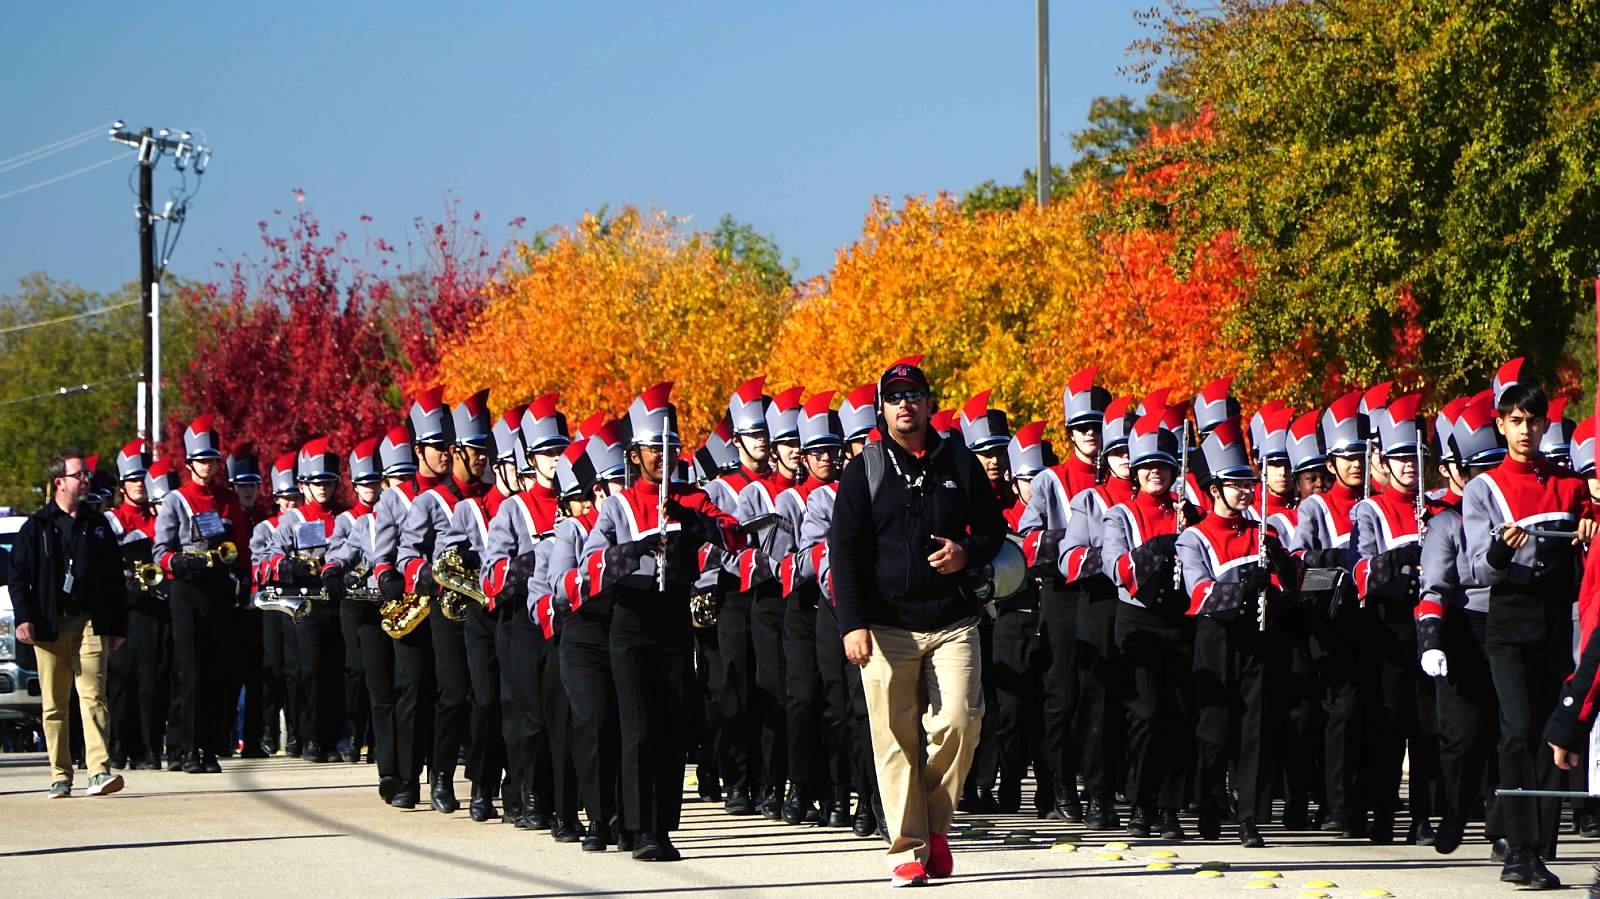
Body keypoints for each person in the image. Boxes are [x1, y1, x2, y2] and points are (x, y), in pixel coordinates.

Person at [829, 359, 1006, 887]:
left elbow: (995, 531)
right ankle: (906, 847)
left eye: (915, 395)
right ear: (882, 409)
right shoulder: (865, 468)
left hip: (952, 620)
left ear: (931, 403)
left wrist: (965, 553)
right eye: (895, 397)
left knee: (961, 719)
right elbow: (846, 550)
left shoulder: (959, 461)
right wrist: (851, 624)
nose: (905, 405)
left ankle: (934, 825)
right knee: (894, 737)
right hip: (885, 627)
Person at [579, 382, 745, 861]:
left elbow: (734, 536)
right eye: (654, 448)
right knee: (639, 726)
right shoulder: (617, 504)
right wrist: (629, 552)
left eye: (671, 447)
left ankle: (662, 826)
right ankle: (637, 826)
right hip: (630, 622)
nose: (663, 457)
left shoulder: (692, 500)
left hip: (674, 620)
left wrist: (696, 525)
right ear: (635, 454)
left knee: (672, 725)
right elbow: (591, 563)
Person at [1465, 361, 1594, 889]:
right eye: (1515, 420)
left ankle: (1541, 846)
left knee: (1551, 734)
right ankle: (1516, 844)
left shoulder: (1569, 487)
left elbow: (1593, 536)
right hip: (1509, 618)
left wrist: (1590, 526)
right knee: (1516, 729)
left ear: (1546, 427)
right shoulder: (1485, 488)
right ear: (1501, 424)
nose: (1524, 430)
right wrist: (1499, 547)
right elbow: (1473, 568)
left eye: (1533, 421)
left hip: (1555, 620)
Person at [1179, 417, 1298, 847]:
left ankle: (1249, 816)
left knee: (1256, 728)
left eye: (1249, 483)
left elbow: (1290, 589)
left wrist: (1282, 566)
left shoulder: (1263, 532)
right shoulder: (1194, 537)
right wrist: (1245, 582)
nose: (1247, 491)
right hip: (1216, 638)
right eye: (1236, 483)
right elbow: (1199, 594)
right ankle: (1210, 810)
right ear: (1214, 490)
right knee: (1214, 729)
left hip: (1258, 639)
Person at [1102, 406, 1201, 841]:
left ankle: (1170, 808)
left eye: (1162, 465)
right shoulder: (1120, 514)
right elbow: (1115, 566)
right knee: (1145, 715)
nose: (1155, 473)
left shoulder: (1188, 513)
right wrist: (1158, 548)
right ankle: (1140, 802)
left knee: (1179, 715)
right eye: (1146, 467)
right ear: (1135, 473)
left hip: (1180, 622)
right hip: (1138, 621)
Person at [1018, 365, 1110, 824]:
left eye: (1097, 427)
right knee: (1061, 694)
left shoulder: (1119, 477)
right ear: (1070, 432)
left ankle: (1100, 789)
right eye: (1082, 428)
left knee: (1100, 692)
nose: (1090, 435)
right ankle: (1059, 783)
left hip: (1104, 593)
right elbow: (1029, 539)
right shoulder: (1050, 480)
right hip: (1061, 592)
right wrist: (1071, 545)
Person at [396, 388, 495, 815]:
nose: (484, 460)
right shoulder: (429, 501)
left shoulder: (492, 496)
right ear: (456, 451)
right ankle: (439, 774)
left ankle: (482, 781)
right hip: (447, 606)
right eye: (476, 452)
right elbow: (406, 555)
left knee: (486, 697)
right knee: (454, 694)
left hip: (484, 606)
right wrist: (435, 574)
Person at [10, 448, 129, 798]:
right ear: (59, 482)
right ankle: (60, 775)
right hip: (49, 626)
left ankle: (98, 772)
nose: (85, 480)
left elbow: (113, 580)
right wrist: (24, 617)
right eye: (79, 475)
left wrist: (117, 627)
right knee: (54, 704)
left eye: (86, 475)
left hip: (90, 621)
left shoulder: (98, 525)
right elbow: (18, 577)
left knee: (93, 695)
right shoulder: (37, 527)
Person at [1418, 391, 1507, 857]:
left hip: (1511, 626)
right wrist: (1431, 639)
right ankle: (1453, 812)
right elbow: (1433, 586)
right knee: (1462, 735)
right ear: (1454, 470)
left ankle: (1504, 829)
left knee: (1507, 732)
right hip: (1463, 630)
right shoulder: (1446, 522)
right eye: (1476, 469)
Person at [1351, 392, 1442, 845]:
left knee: (1426, 724)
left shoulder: (1440, 509)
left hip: (1432, 624)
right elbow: (1362, 570)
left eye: (1416, 457)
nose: (1410, 465)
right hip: (1387, 625)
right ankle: (1383, 813)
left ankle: (1422, 817)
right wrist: (1404, 556)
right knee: (1386, 724)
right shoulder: (1370, 509)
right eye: (1400, 458)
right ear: (1383, 462)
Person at [1054, 395, 1137, 829]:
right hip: (1101, 605)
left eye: (1132, 451)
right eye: (1119, 452)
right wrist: (1116, 556)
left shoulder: (1168, 497)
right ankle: (1098, 795)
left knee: (1144, 706)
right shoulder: (1092, 498)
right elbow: (1069, 559)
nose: (1127, 460)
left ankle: (1148, 800)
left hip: (1147, 610)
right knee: (1098, 705)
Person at [1289, 392, 1368, 836]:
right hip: (1332, 621)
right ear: (1331, 462)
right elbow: (1303, 563)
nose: (1355, 463)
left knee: (1370, 712)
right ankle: (1334, 802)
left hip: (1374, 621)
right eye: (1345, 456)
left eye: (1361, 454)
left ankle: (1364, 801)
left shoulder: (1374, 502)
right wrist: (1337, 564)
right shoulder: (1315, 506)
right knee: (1338, 711)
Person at [154, 415, 250, 774]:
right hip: (187, 589)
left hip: (218, 590)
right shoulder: (177, 500)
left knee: (216, 670)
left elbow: (240, 544)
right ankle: (186, 746)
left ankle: (209, 746)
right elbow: (160, 550)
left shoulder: (227, 499)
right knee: (190, 669)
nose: (209, 467)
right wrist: (178, 562)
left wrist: (242, 574)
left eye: (214, 460)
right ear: (191, 463)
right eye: (203, 461)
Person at [552, 421, 630, 850]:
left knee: (626, 727)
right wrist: (611, 566)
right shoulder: (572, 530)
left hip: (624, 632)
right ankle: (598, 817)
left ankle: (625, 816)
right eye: (611, 485)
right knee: (595, 724)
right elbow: (562, 586)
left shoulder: (632, 524)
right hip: (583, 638)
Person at [376, 393, 449, 810]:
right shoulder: (395, 498)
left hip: (452, 605)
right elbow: (382, 556)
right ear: (418, 450)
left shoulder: (458, 494)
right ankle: (406, 777)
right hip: (414, 605)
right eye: (437, 448)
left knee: (448, 692)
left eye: (447, 447)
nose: (444, 454)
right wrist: (389, 580)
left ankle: (441, 773)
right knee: (411, 689)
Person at [264, 437, 347, 762]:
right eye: (316, 482)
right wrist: (290, 567)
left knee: (336, 670)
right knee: (310, 670)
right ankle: (310, 737)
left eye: (328, 482)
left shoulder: (343, 517)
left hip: (337, 602)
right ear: (303, 484)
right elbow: (271, 558)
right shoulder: (292, 520)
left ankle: (333, 737)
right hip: (306, 604)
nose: (323, 488)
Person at [104, 439, 166, 771]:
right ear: (123, 485)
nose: (140, 485)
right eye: (133, 480)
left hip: (154, 611)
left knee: (152, 681)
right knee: (120, 680)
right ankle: (118, 744)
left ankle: (149, 746)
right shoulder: (111, 520)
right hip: (123, 610)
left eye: (144, 479)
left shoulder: (159, 519)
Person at [254, 453, 302, 759]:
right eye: (285, 500)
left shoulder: (306, 524)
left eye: (295, 499)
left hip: (296, 602)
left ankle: (297, 731)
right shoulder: (265, 528)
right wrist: (281, 567)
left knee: (296, 670)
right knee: (271, 667)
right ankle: (268, 730)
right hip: (271, 604)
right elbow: (258, 567)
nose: (290, 506)